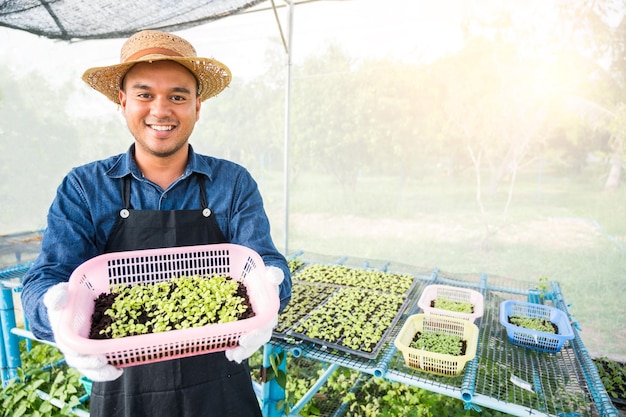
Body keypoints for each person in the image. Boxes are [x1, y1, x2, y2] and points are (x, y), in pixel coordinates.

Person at [21, 30, 292, 417]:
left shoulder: (232, 183)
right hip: (125, 392)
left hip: (221, 386)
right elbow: (47, 279)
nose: (160, 110)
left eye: (178, 96)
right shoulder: (85, 186)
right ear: (123, 101)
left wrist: (272, 291)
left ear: (198, 106)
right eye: (145, 94)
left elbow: (265, 262)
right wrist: (56, 317)